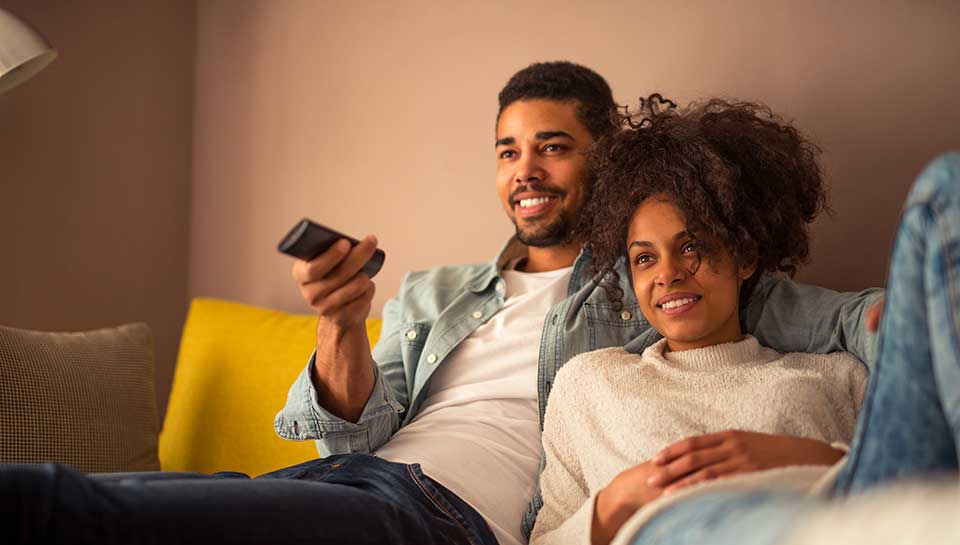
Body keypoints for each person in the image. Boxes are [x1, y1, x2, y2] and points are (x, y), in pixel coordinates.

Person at [1, 63, 880, 545]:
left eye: (552, 146)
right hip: (345, 484)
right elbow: (351, 428)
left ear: (607, 158)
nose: (523, 169)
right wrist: (342, 324)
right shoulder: (436, 292)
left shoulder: (653, 282)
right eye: (506, 150)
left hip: (438, 516)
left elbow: (844, 326)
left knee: (59, 506)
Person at [528, 97, 958, 545]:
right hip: (680, 524)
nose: (666, 274)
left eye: (691, 246)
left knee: (947, 184)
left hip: (840, 514)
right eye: (644, 258)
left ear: (745, 256)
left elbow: (894, 479)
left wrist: (801, 457)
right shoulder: (588, 383)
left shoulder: (838, 375)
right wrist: (614, 503)